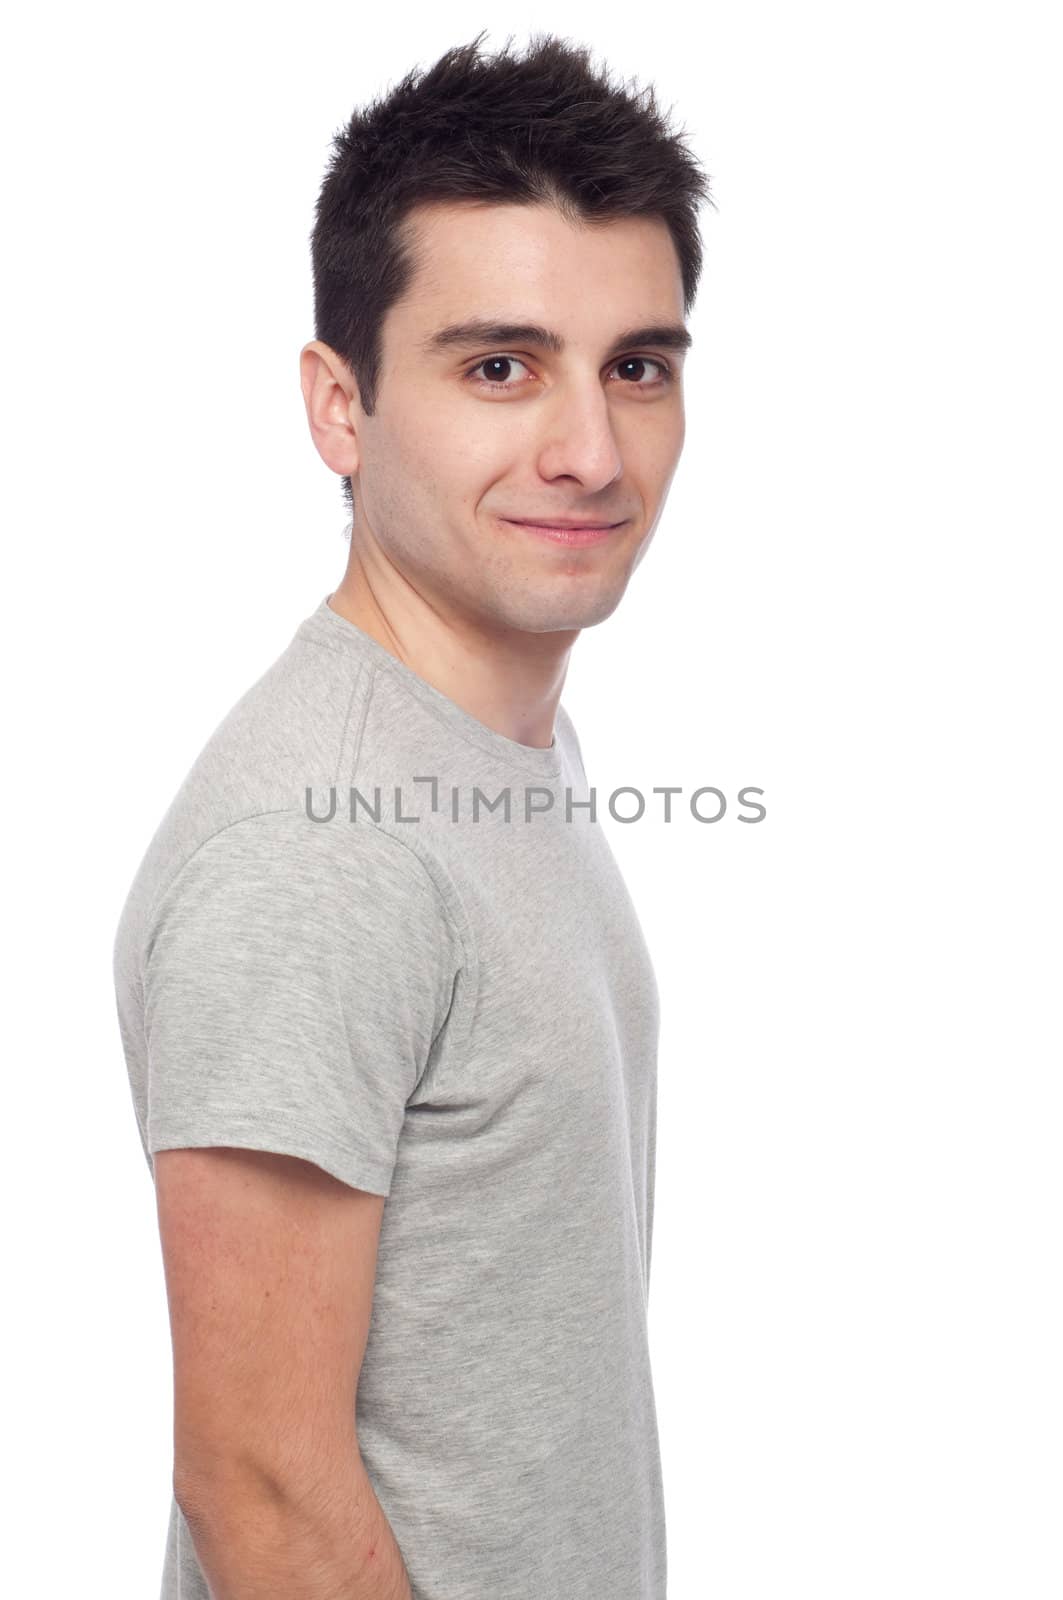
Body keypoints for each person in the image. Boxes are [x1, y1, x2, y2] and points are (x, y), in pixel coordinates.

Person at [112, 29, 712, 1600]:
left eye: (636, 365)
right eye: (498, 366)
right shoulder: (323, 849)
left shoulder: (493, 742)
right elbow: (262, 1490)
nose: (590, 452)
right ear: (341, 406)